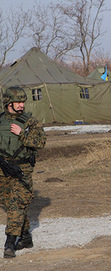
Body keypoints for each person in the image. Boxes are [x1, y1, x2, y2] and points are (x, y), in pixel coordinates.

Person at [0, 86, 46, 258]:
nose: (21, 105)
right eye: (17, 102)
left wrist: (22, 134)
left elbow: (41, 142)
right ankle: (26, 236)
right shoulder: (0, 120)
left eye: (22, 102)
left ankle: (10, 243)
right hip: (3, 170)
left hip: (22, 170)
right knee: (8, 203)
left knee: (17, 204)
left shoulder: (30, 122)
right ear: (7, 102)